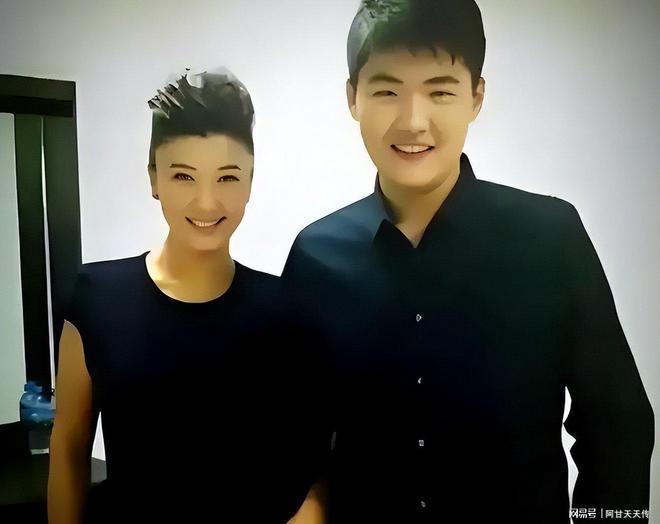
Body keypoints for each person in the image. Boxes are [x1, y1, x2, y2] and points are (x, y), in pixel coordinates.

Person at [281, 1, 654, 523]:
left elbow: (617, 425)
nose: (413, 121)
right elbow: (297, 444)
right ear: (353, 98)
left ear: (476, 96)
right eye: (387, 91)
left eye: (440, 91)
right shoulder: (314, 256)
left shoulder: (550, 237)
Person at [48, 68, 328, 524]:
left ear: (250, 181)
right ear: (154, 178)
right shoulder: (96, 297)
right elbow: (68, 447)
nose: (206, 202)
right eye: (183, 176)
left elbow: (311, 466)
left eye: (227, 178)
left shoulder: (286, 310)